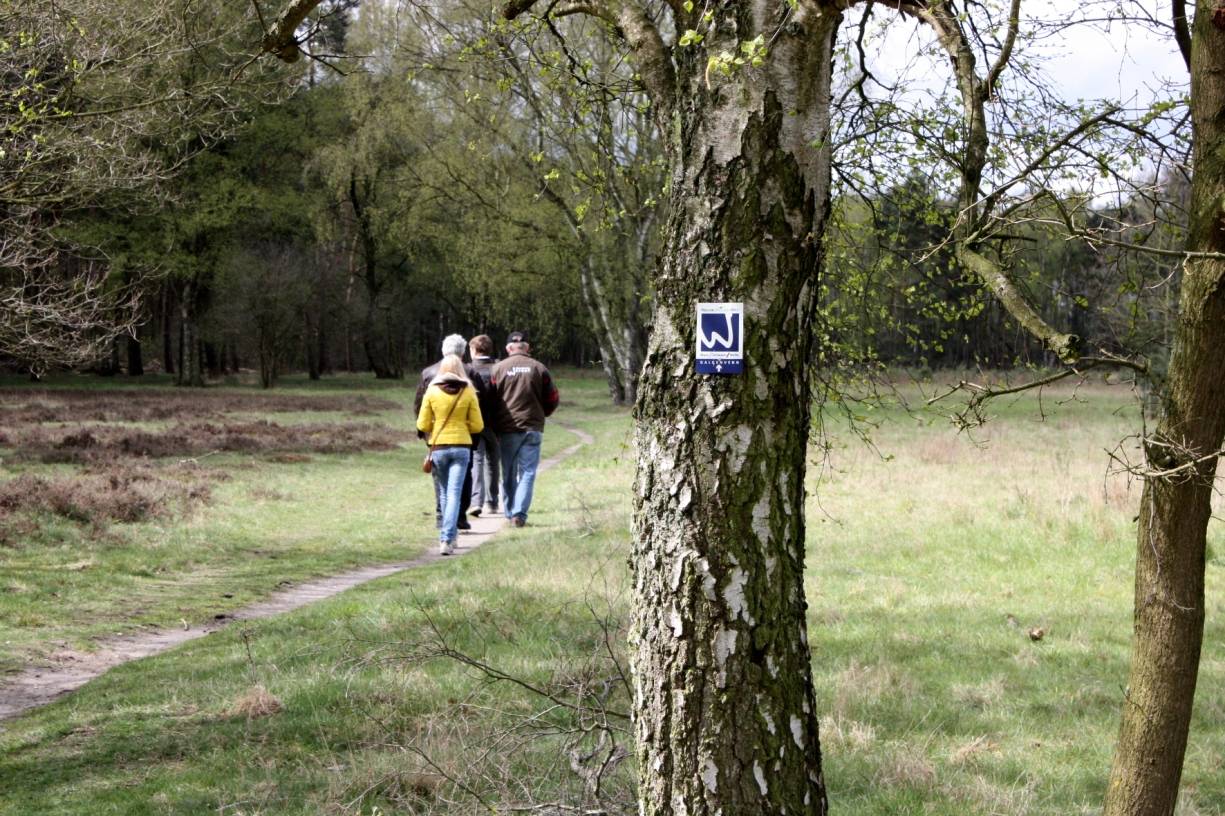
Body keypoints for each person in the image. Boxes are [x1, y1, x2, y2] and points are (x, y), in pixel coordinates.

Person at [415, 334, 485, 529]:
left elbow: (419, 407)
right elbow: (481, 407)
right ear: (463, 353)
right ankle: (458, 518)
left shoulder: (428, 374)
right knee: (462, 481)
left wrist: (426, 433)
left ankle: (443, 521)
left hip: (437, 438)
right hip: (464, 439)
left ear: (443, 351)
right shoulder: (470, 376)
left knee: (442, 486)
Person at [490, 330, 559, 527]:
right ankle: (519, 514)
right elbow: (553, 398)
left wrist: (495, 424)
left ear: (508, 348)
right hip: (532, 427)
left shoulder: (498, 369)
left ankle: (511, 510)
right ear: (527, 347)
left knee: (509, 472)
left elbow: (491, 401)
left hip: (507, 429)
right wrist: (541, 414)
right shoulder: (539, 368)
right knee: (528, 472)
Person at [467, 334, 500, 517]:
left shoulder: (468, 370)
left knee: (477, 460)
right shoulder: (498, 368)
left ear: (473, 350)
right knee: (493, 461)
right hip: (494, 423)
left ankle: (475, 501)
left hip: (474, 422)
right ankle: (493, 502)